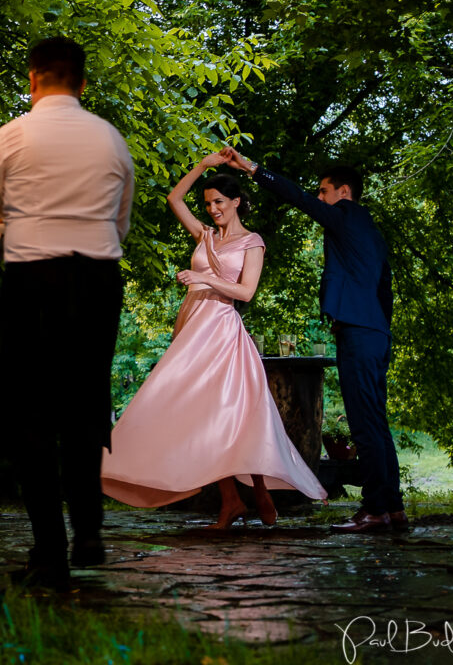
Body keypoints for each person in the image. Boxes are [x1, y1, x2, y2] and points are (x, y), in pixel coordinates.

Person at [0, 36, 134, 591]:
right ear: (82, 82)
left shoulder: (9, 139)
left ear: (33, 79)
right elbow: (120, 222)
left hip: (35, 278)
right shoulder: (111, 141)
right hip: (100, 278)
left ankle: (51, 552)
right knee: (85, 400)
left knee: (23, 413)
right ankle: (88, 528)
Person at [100, 158, 326, 528]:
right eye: (207, 204)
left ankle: (258, 489)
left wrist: (202, 280)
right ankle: (231, 500)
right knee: (204, 416)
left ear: (236, 202)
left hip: (222, 331)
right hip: (192, 330)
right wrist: (204, 163)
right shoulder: (205, 235)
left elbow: (247, 292)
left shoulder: (252, 242)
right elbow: (174, 199)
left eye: (219, 201)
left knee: (235, 414)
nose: (212, 209)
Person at [223, 150, 405, 534]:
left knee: (364, 425)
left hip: (359, 332)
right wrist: (378, 330)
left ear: (344, 192)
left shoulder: (346, 215)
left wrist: (253, 169)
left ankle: (374, 509)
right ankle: (393, 509)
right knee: (377, 423)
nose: (319, 197)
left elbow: (299, 199)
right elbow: (384, 290)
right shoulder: (372, 233)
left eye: (324, 191)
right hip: (376, 334)